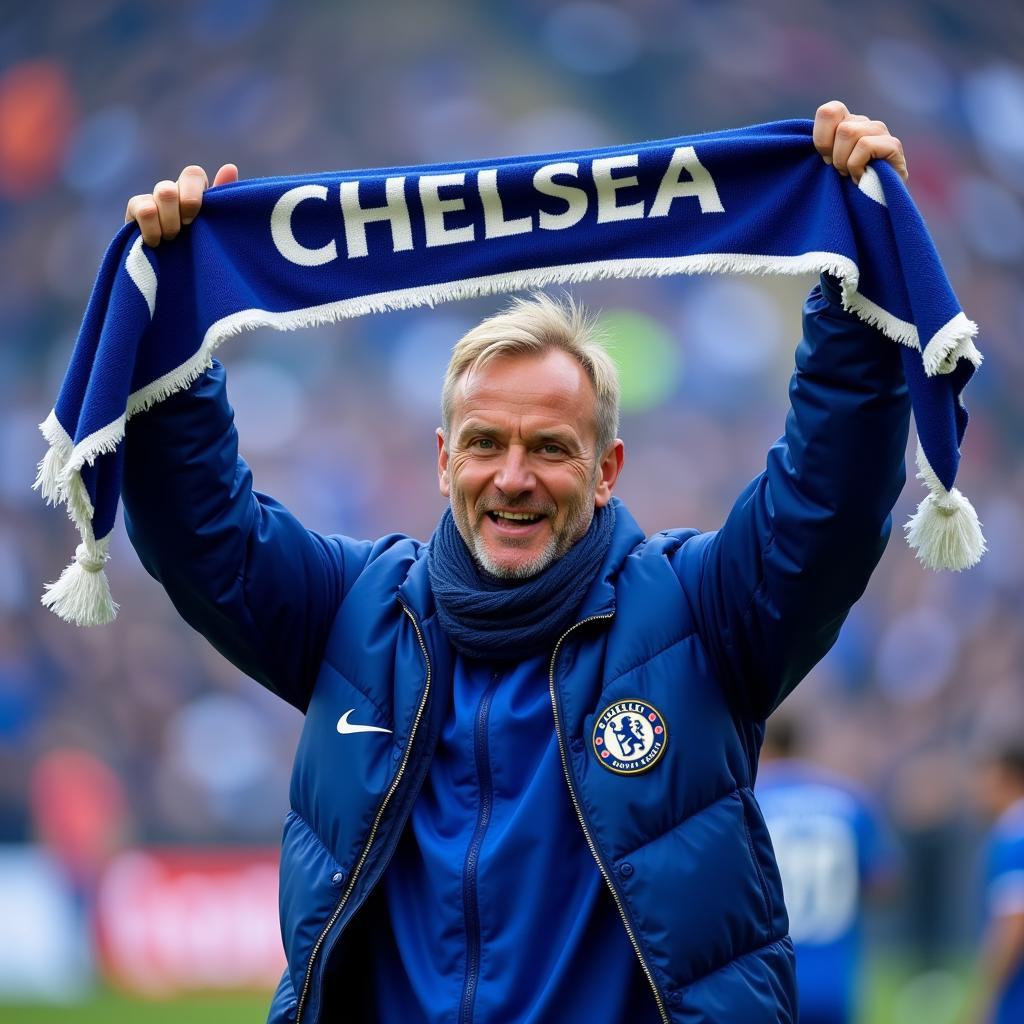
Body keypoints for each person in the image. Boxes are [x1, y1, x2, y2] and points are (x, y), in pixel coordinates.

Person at [120, 101, 911, 1023]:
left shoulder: (702, 612)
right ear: (444, 459)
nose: (514, 477)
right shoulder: (353, 611)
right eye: (486, 443)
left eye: (551, 448)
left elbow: (828, 504)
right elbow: (201, 533)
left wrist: (854, 304)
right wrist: (173, 315)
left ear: (607, 470)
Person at [756, 718, 897, 1024]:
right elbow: (883, 883)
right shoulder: (848, 800)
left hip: (769, 976)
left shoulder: (753, 801)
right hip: (836, 976)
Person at [967, 743, 1024, 1024]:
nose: (976, 788)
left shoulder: (1015, 836)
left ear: (1006, 777)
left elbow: (1014, 922)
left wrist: (985, 995)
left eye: (983, 777)